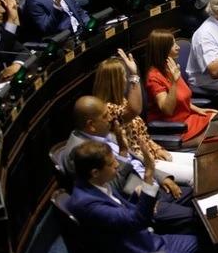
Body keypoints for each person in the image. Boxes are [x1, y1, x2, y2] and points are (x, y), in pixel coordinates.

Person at [68, 141, 211, 253]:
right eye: (111, 164)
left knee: (211, 245)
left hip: (152, 240)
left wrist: (139, 198)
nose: (117, 164)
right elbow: (137, 221)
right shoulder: (88, 204)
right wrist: (148, 176)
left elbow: (121, 211)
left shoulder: (96, 184)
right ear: (95, 172)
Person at [59, 96, 196, 234]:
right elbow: (112, 188)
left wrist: (162, 177)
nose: (110, 118)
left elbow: (137, 160)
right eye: (105, 116)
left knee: (197, 192)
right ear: (91, 125)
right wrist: (123, 153)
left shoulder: (104, 134)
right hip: (136, 199)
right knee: (195, 216)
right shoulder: (79, 153)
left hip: (151, 185)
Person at [93, 51, 195, 185]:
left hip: (153, 153)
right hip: (142, 162)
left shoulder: (123, 100)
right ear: (114, 81)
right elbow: (135, 110)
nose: (126, 79)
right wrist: (134, 75)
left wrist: (157, 149)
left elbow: (143, 136)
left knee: (197, 160)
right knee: (194, 174)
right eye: (123, 76)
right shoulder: (107, 109)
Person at [144, 29, 216, 148]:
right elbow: (167, 109)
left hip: (187, 118)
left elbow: (182, 98)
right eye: (172, 45)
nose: (178, 47)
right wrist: (174, 82)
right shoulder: (153, 77)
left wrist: (198, 109)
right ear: (162, 49)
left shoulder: (169, 67)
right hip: (175, 128)